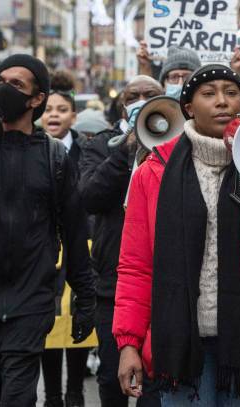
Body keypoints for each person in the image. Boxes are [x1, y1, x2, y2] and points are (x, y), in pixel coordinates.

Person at [114, 64, 240, 406]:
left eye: (231, 93)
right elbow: (136, 267)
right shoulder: (153, 171)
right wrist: (129, 342)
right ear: (188, 107)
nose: (222, 102)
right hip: (181, 342)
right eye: (209, 94)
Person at [0, 54, 95, 406]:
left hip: (30, 304)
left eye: (16, 84)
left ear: (37, 99)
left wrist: (85, 299)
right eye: (0, 81)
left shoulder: (54, 157)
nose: (3, 89)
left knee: (19, 399)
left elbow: (73, 231)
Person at [79, 74, 164, 407]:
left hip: (162, 282)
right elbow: (89, 197)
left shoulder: (177, 143)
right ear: (122, 104)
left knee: (157, 383)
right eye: (133, 95)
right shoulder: (101, 144)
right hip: (113, 283)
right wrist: (126, 150)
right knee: (112, 378)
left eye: (150, 94)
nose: (141, 100)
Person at [39, 70, 91, 407]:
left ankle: (75, 392)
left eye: (61, 109)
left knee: (77, 325)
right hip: (46, 253)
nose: (54, 114)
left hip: (82, 248)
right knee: (50, 326)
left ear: (74, 116)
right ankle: (53, 395)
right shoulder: (36, 151)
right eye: (48, 109)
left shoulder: (88, 150)